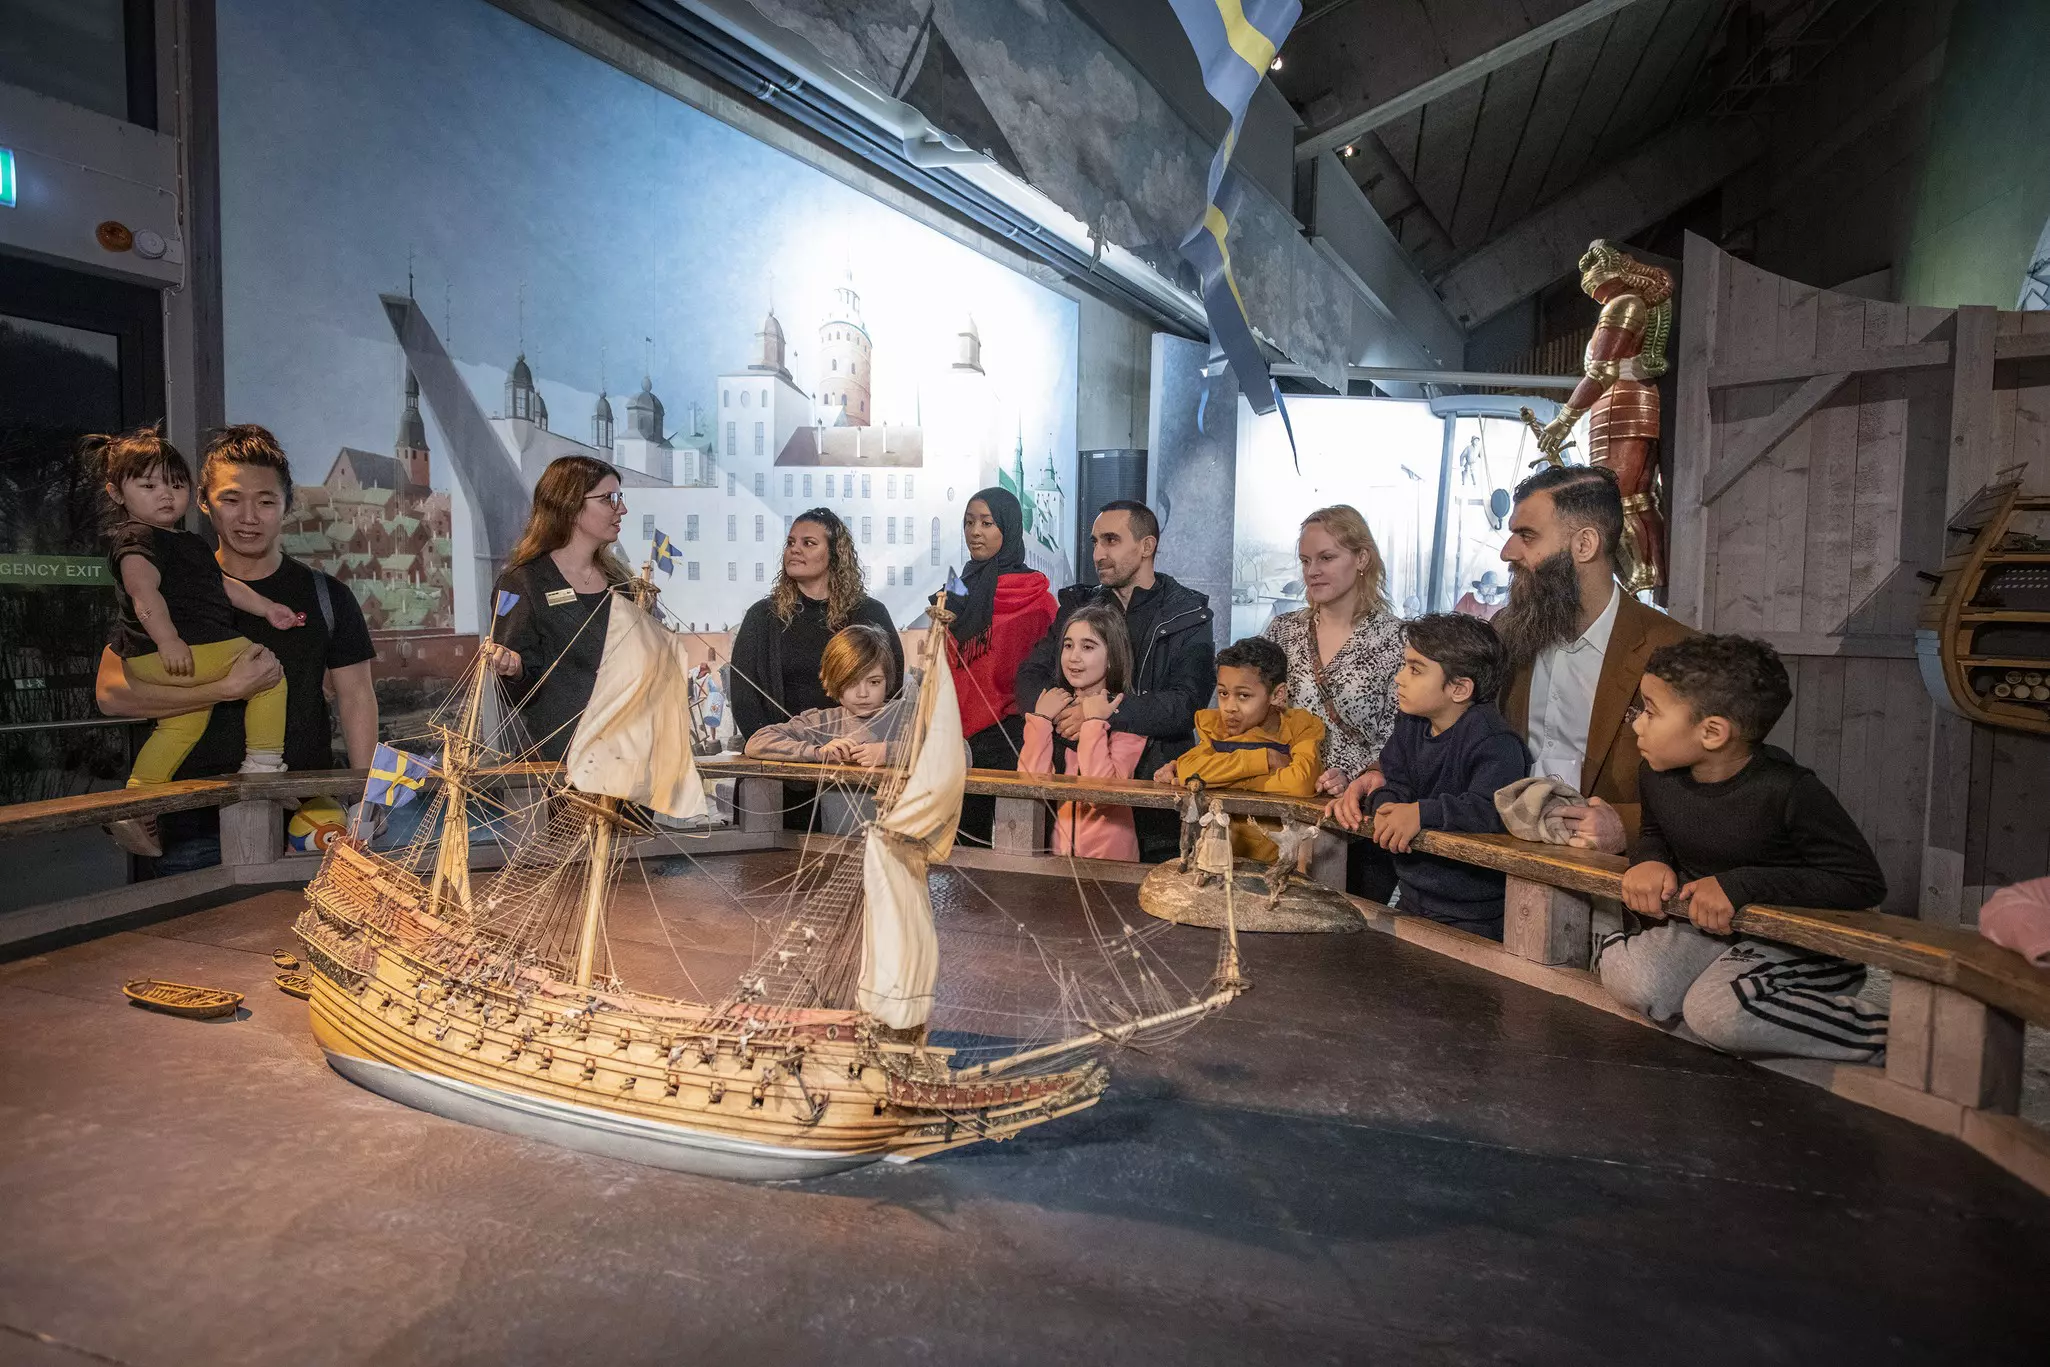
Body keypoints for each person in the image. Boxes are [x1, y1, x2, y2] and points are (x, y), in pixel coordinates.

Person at [95, 424, 378, 871]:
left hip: (304, 815)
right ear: (205, 503)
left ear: (286, 506)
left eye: (266, 501)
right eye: (231, 499)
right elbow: (111, 695)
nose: (249, 516)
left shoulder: (327, 596)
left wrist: (366, 801)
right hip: (193, 820)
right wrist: (225, 690)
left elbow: (357, 696)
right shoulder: (164, 583)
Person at [1606, 635, 1888, 1061]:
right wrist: (1649, 860)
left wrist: (1741, 885)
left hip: (1795, 941)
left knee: (1716, 1016)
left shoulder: (1789, 790)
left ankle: (1900, 1040)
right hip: (1711, 930)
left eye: (1651, 711)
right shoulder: (1657, 776)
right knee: (1633, 981)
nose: (1637, 724)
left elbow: (1862, 884)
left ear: (1713, 732)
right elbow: (1655, 832)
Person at [89, 428, 300, 854]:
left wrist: (266, 607)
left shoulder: (185, 544)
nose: (165, 495)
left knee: (182, 721)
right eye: (148, 486)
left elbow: (223, 585)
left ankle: (135, 800)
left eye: (175, 484)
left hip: (173, 656)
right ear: (116, 493)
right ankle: (262, 770)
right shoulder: (135, 541)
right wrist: (168, 640)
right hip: (167, 653)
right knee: (266, 669)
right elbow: (142, 593)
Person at [1486, 463, 1692, 854]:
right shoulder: (1505, 629)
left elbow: (1715, 788)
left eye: (1526, 536)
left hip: (1614, 888)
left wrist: (1631, 827)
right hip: (1503, 865)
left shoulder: (1673, 649)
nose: (1506, 552)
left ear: (1585, 544)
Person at [1014, 499, 1213, 862]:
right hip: (1069, 801)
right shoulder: (1078, 608)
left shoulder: (1187, 615)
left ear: (1146, 546)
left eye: (1111, 540)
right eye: (1094, 542)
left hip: (1157, 794)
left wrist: (1100, 714)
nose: (1098, 554)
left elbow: (1186, 704)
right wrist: (1061, 713)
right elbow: (1030, 675)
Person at [1267, 506, 1406, 898]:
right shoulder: (1284, 631)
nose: (1312, 571)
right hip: (1285, 811)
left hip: (1358, 818)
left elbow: (1403, 734)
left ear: (1362, 558)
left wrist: (1358, 776)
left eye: (1326, 558)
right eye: (1306, 561)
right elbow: (1253, 711)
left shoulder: (1395, 639)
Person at [1364, 614, 1530, 939]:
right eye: (1404, 665)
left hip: (1474, 914)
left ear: (1459, 688)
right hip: (1412, 896)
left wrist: (1420, 813)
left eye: (1415, 669)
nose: (1399, 678)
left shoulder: (1495, 741)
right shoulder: (1410, 723)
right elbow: (1394, 783)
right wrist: (1386, 808)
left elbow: (1492, 808)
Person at [486, 456, 634, 762]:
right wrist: (514, 669)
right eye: (609, 499)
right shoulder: (521, 583)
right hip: (560, 765)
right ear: (570, 505)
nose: (622, 509)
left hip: (627, 759)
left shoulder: (623, 583)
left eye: (619, 498)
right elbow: (516, 693)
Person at [730, 508, 901, 741]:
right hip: (783, 760)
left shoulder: (870, 613)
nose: (795, 549)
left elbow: (892, 686)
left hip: (853, 757)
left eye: (808, 543)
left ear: (835, 553)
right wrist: (778, 750)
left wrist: (860, 745)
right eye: (791, 542)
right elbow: (745, 699)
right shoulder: (762, 617)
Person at [946, 487, 1057, 845]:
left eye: (987, 523)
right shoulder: (956, 591)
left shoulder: (1036, 598)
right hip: (959, 737)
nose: (975, 532)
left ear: (1007, 528)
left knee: (1017, 844)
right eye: (968, 522)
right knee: (963, 844)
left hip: (1014, 736)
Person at [743, 624, 919, 835]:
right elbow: (757, 742)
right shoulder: (824, 721)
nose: (863, 693)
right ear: (834, 681)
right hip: (838, 848)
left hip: (902, 851)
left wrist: (890, 752)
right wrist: (818, 752)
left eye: (873, 682)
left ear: (887, 679)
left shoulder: (908, 716)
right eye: (852, 682)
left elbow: (958, 752)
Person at [1165, 636, 1323, 863]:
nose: (1229, 707)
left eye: (1243, 696)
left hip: (1276, 864)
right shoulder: (1216, 728)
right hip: (1220, 860)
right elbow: (1188, 771)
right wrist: (1263, 760)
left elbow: (1300, 782)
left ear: (1277, 695)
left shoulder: (1300, 727)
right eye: (1223, 693)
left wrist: (1221, 777)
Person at [1020, 604, 1147, 859]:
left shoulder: (1127, 717)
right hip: (1058, 860)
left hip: (1113, 865)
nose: (1074, 657)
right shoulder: (1055, 710)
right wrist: (1041, 720)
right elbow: (1029, 787)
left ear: (1112, 658)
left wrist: (1092, 722)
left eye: (1087, 647)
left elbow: (1101, 793)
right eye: (1068, 645)